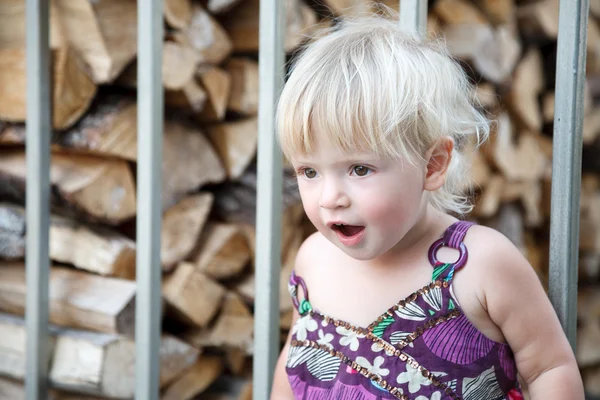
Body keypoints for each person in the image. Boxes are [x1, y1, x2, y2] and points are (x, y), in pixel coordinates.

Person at [269, 9, 584, 400]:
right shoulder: (313, 260)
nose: (330, 198)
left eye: (360, 169)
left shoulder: (478, 265)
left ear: (432, 165)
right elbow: (291, 366)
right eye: (309, 172)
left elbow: (548, 369)